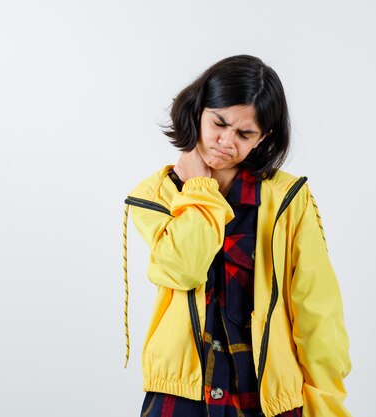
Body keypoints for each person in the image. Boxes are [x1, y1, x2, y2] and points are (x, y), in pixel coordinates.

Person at [121, 55, 352, 417]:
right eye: (219, 122)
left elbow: (317, 310)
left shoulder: (288, 200)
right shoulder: (158, 195)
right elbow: (184, 269)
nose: (225, 141)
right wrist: (199, 188)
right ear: (199, 110)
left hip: (266, 395)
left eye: (245, 134)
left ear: (264, 138)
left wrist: (325, 401)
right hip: (183, 396)